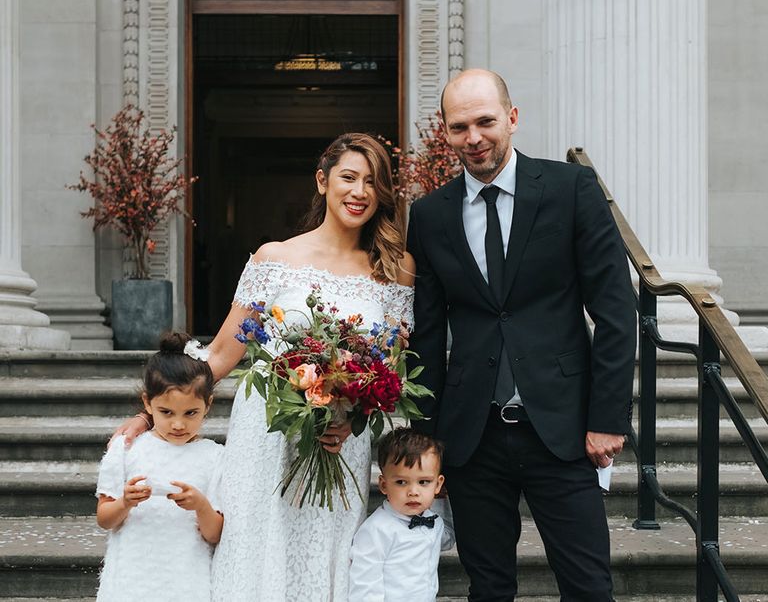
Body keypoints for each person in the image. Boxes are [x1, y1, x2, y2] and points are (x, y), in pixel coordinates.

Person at [114, 133, 415, 601]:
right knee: (255, 550)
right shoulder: (274, 258)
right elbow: (217, 357)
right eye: (348, 178)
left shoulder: (394, 269)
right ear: (322, 181)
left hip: (340, 444)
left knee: (324, 553)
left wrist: (351, 419)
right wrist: (148, 413)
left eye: (372, 182)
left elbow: (388, 372)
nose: (359, 192)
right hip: (267, 437)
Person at [407, 69, 636, 600]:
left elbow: (616, 311)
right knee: (487, 587)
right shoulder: (429, 215)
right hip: (471, 435)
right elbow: (426, 330)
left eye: (485, 121)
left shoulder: (571, 188)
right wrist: (426, 433)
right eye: (460, 126)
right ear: (444, 132)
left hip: (563, 430)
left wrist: (606, 419)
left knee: (588, 586)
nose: (474, 138)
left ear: (512, 118)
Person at [95, 332, 223, 602]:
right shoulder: (126, 449)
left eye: (191, 413)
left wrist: (201, 505)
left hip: (186, 578)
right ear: (147, 404)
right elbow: (105, 519)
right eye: (166, 412)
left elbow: (214, 534)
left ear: (207, 405)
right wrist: (125, 502)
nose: (178, 425)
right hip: (131, 576)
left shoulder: (214, 457)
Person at [349, 428, 454, 602]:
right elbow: (365, 583)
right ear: (383, 485)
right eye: (401, 482)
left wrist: (443, 501)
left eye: (424, 482)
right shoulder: (377, 530)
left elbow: (447, 539)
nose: (413, 491)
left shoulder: (434, 521)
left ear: (438, 484)